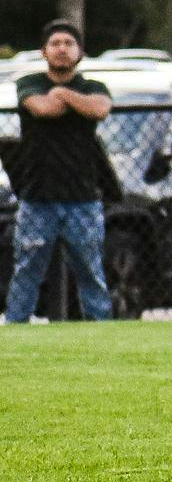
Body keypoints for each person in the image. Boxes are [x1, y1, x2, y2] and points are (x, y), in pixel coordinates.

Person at [3, 21, 114, 324]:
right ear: (44, 51)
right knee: (27, 271)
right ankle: (15, 329)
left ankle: (103, 332)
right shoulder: (29, 83)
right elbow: (43, 109)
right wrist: (73, 103)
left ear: (80, 52)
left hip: (83, 198)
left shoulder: (95, 87)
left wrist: (63, 93)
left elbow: (99, 109)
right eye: (55, 43)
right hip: (37, 197)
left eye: (68, 43)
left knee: (91, 272)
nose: (62, 49)